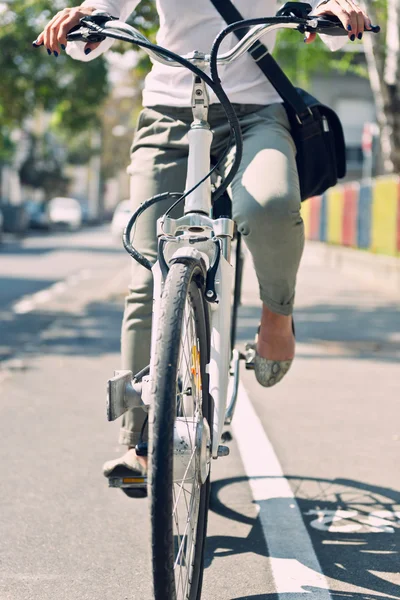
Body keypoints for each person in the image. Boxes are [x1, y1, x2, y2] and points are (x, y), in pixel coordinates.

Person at [35, 0, 373, 484]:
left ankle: (277, 317)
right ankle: (140, 441)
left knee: (270, 205)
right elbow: (108, 8)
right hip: (168, 112)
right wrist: (87, 18)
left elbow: (332, 19)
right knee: (149, 266)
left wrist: (337, 10)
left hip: (256, 112)